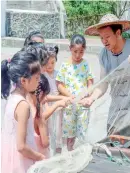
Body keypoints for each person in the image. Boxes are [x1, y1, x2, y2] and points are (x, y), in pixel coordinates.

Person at [81, 13, 130, 135]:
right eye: (101, 38)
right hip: (116, 107)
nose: (104, 41)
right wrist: (91, 98)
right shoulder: (104, 54)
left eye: (107, 37)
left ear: (118, 33)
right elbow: (103, 83)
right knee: (113, 144)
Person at [1, 51, 45, 173]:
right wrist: (39, 156)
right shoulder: (23, 106)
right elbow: (21, 146)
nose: (39, 81)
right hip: (21, 162)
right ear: (24, 81)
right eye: (37, 78)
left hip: (9, 159)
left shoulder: (11, 98)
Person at [56, 34, 93, 150]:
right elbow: (59, 84)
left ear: (84, 50)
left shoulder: (85, 64)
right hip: (69, 105)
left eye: (81, 52)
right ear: (70, 48)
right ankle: (69, 154)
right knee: (69, 133)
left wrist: (87, 94)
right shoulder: (65, 65)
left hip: (82, 106)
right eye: (75, 51)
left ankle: (79, 154)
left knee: (81, 133)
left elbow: (90, 82)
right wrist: (69, 95)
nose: (78, 55)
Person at [27, 74, 68, 157]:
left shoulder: (23, 102)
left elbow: (46, 98)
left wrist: (62, 99)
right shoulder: (38, 114)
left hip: (28, 150)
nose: (45, 98)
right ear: (40, 93)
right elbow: (45, 143)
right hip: (39, 152)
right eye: (45, 94)